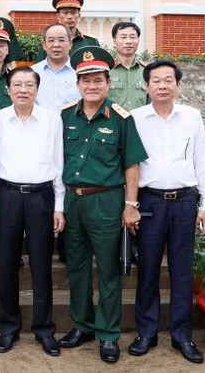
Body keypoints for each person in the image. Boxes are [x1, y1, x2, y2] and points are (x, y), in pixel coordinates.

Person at [58, 46, 147, 364]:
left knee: (109, 271)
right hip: (73, 201)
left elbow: (131, 166)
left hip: (107, 201)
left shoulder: (122, 119)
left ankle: (108, 334)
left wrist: (130, 204)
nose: (91, 86)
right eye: (85, 80)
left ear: (108, 84)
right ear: (77, 84)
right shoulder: (66, 116)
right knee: (77, 268)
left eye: (97, 80)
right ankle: (82, 326)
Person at [128, 60, 205, 364]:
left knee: (181, 271)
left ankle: (182, 335)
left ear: (178, 85)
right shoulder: (136, 118)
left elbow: (202, 160)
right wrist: (132, 205)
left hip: (183, 202)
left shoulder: (191, 117)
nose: (162, 85)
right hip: (149, 203)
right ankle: (146, 333)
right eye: (156, 81)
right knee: (148, 271)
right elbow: (131, 166)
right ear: (146, 86)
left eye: (168, 80)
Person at [0, 66, 64, 356]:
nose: (23, 90)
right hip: (6, 196)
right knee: (6, 264)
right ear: (7, 89)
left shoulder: (51, 120)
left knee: (41, 264)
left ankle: (44, 329)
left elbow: (58, 164)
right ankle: (8, 328)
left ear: (37, 89)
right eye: (17, 85)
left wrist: (59, 205)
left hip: (41, 197)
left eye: (29, 85)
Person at [35, 0, 99, 60]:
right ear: (58, 16)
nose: (69, 17)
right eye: (65, 13)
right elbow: (40, 68)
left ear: (79, 15)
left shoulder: (90, 41)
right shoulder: (49, 42)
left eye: (73, 13)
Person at [32, 23, 79, 112]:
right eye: (51, 40)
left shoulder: (79, 72)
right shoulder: (32, 72)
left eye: (61, 40)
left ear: (70, 44)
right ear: (44, 45)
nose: (56, 45)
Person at [109, 22, 147, 111]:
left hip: (139, 123)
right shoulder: (105, 71)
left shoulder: (146, 71)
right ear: (114, 41)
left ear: (138, 41)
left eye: (133, 37)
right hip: (113, 123)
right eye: (123, 37)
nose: (128, 41)